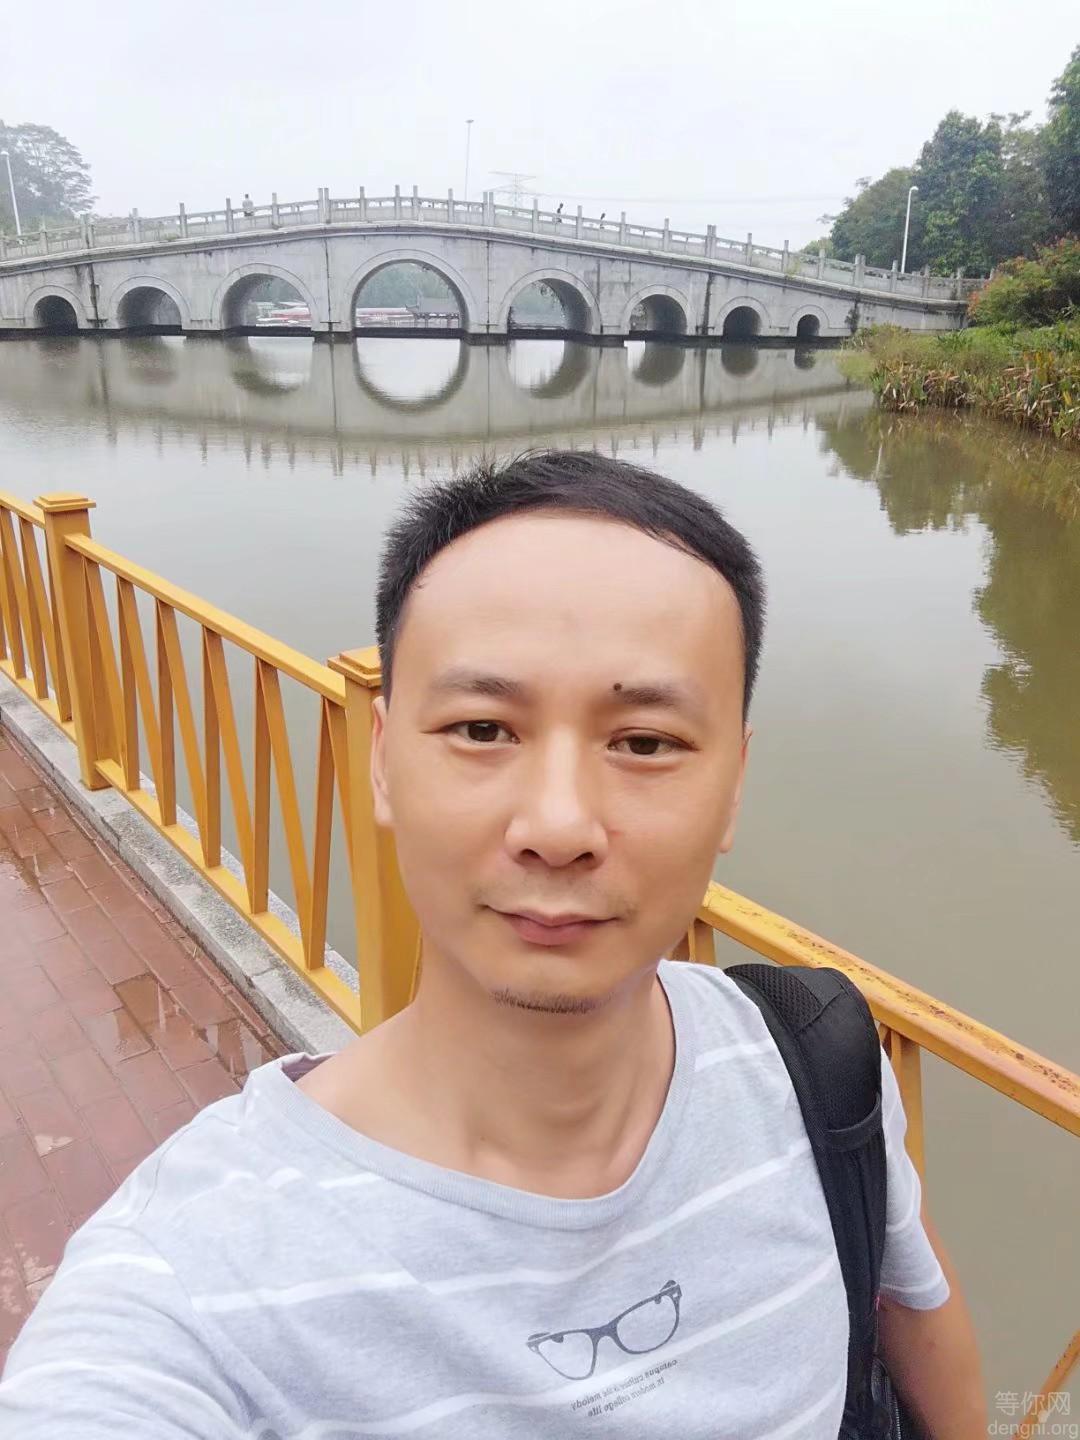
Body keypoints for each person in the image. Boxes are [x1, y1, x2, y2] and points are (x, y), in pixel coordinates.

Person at [0, 451, 986, 1438]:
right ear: (381, 761)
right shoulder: (190, 1284)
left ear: (734, 786)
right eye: (482, 729)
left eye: (645, 743)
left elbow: (921, 1323)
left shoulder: (811, 1064)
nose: (558, 826)